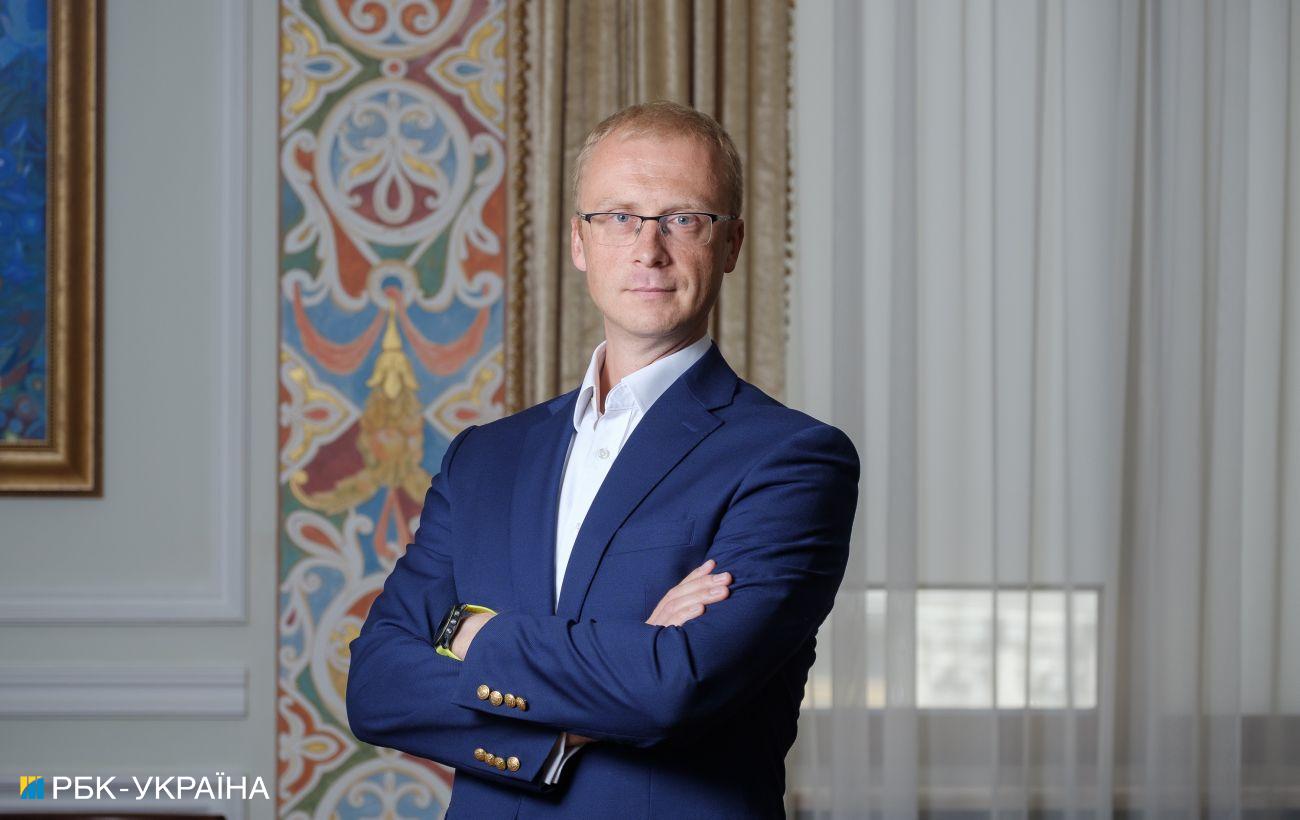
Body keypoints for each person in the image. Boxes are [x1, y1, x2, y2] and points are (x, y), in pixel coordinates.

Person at [346, 101, 859, 819]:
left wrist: (467, 633)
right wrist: (586, 706)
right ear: (579, 242)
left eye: (684, 219)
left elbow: (673, 688)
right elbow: (376, 688)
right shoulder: (484, 458)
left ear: (732, 243)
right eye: (619, 217)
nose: (649, 249)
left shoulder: (794, 461)